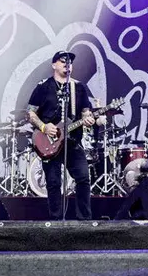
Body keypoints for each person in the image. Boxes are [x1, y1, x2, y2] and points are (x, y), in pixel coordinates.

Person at [27, 51, 102, 220]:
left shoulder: (79, 87)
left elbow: (85, 112)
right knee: (53, 184)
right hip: (49, 141)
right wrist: (44, 127)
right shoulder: (43, 86)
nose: (67, 64)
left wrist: (88, 119)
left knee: (83, 178)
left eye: (70, 62)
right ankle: (56, 221)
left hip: (73, 141)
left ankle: (84, 220)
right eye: (63, 61)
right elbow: (30, 113)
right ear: (54, 65)